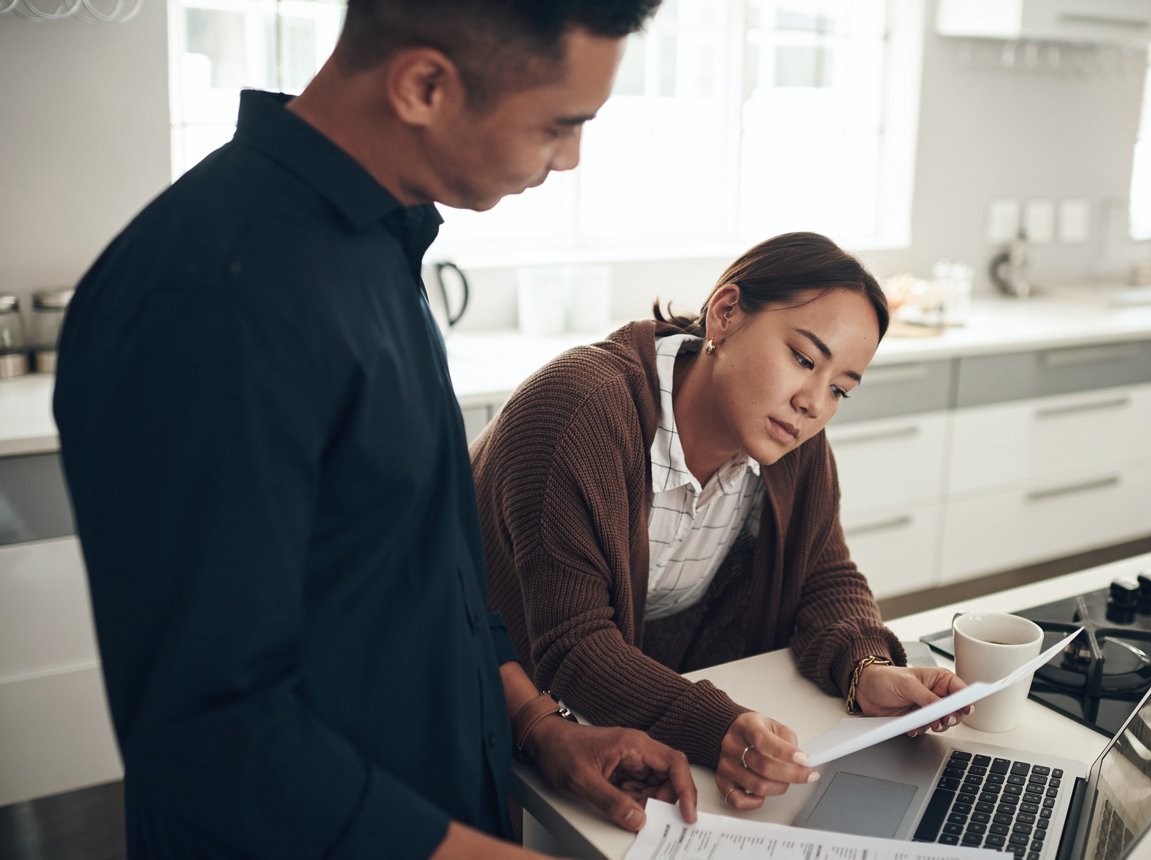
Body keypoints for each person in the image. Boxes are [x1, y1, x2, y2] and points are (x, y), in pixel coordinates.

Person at [53, 2, 697, 858]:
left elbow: (421, 572)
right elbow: (211, 731)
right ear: (424, 85)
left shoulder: (376, 242)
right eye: (561, 123)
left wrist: (538, 726)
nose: (570, 158)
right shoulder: (212, 295)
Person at [473, 232, 973, 812]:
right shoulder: (581, 412)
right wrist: (719, 727)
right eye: (803, 359)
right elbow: (573, 644)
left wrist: (867, 668)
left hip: (630, 713)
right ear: (726, 313)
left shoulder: (791, 438)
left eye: (839, 388)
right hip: (498, 704)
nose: (814, 402)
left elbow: (824, 574)